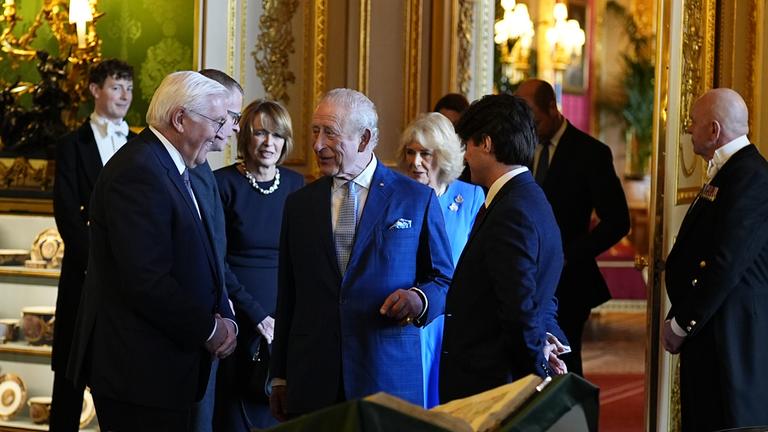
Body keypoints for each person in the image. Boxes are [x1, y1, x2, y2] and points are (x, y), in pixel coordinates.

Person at [66, 71, 238, 432]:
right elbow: (146, 280)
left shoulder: (168, 165)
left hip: (162, 368)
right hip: (139, 373)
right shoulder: (140, 171)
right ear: (180, 119)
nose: (222, 133)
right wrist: (209, 329)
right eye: (217, 122)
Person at [269, 88, 453, 420]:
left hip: (386, 376)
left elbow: (444, 281)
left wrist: (419, 300)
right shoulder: (299, 204)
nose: (317, 145)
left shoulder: (416, 199)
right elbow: (288, 295)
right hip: (313, 381)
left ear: (364, 139)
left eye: (329, 133)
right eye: (315, 131)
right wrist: (279, 375)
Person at [438, 94, 568, 403]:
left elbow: (518, 308)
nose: (464, 156)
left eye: (466, 144)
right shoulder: (530, 197)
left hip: (492, 386)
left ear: (485, 143)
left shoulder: (512, 210)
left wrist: (537, 375)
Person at [662, 88, 768, 431]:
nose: (688, 129)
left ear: (714, 130)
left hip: (731, 337)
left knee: (725, 421)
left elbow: (724, 263)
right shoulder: (729, 171)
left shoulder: (750, 176)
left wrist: (682, 324)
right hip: (712, 327)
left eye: (693, 123)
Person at [515, 79, 630, 376]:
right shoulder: (520, 148)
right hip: (521, 275)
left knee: (565, 365)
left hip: (569, 281)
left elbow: (618, 220)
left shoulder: (591, 153)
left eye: (535, 120)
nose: (530, 128)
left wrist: (570, 253)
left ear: (552, 109)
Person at [51, 58, 135, 432]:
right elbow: (67, 213)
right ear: (94, 90)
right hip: (84, 274)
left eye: (129, 89)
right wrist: (101, 263)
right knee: (70, 376)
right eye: (117, 87)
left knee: (123, 371)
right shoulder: (72, 144)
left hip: (132, 277)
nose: (125, 95)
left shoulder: (138, 145)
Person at [213, 99, 304, 430]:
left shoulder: (296, 185)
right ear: (245, 137)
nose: (269, 143)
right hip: (237, 318)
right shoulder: (220, 184)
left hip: (285, 322)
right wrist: (258, 316)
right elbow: (216, 263)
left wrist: (285, 318)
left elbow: (301, 259)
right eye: (260, 133)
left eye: (277, 135)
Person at [397, 112, 484, 407]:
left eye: (425, 154)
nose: (415, 162)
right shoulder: (397, 195)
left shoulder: (472, 199)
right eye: (410, 152)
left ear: (444, 156)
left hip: (452, 322)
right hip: (406, 317)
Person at [188, 69, 243, 432]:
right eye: (232, 117)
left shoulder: (203, 170)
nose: (235, 127)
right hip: (190, 333)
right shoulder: (178, 172)